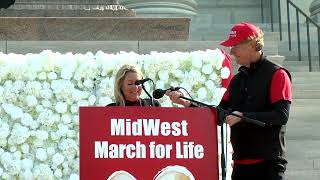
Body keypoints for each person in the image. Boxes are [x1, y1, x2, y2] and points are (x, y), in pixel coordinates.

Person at [167, 22, 292, 180]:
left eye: (235, 45)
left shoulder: (278, 74)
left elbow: (281, 116)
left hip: (269, 164)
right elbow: (219, 114)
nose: (231, 51)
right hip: (241, 163)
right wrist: (187, 103)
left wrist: (243, 116)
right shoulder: (236, 81)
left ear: (252, 44)